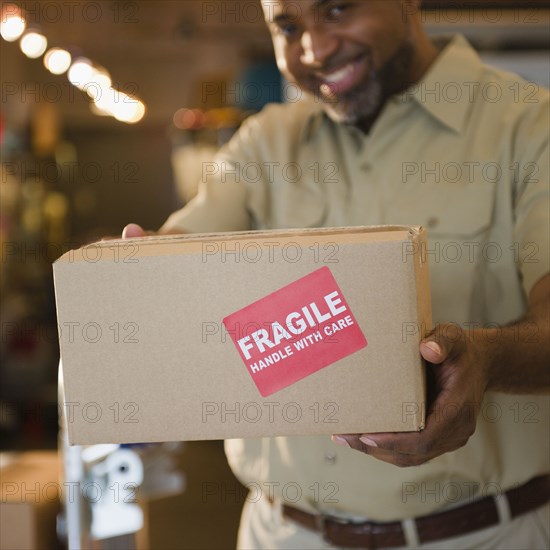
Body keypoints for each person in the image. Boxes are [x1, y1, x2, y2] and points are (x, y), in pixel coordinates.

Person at [123, 1, 549, 548]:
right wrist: (149, 275)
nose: (315, 49)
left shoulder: (527, 127)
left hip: (482, 535)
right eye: (288, 26)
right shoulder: (265, 143)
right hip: (285, 533)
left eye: (337, 10)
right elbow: (184, 256)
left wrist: (487, 360)